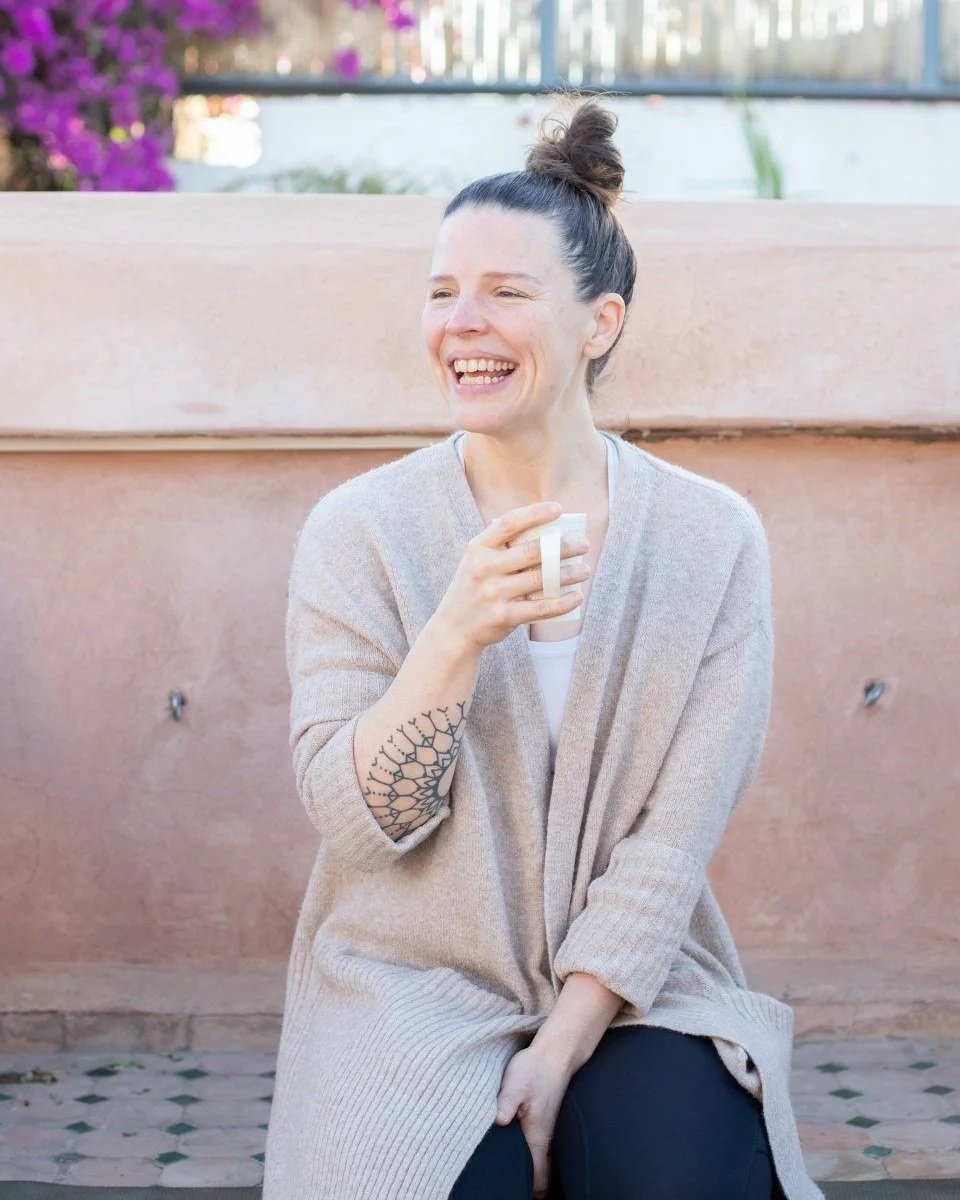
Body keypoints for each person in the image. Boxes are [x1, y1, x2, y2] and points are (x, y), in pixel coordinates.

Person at [262, 93, 824, 1200]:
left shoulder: (712, 540)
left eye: (506, 293)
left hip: (636, 987)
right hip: (410, 986)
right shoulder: (360, 533)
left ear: (598, 323)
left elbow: (670, 846)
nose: (460, 323)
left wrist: (558, 1051)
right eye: (441, 294)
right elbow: (360, 826)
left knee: (682, 1175)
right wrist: (456, 635)